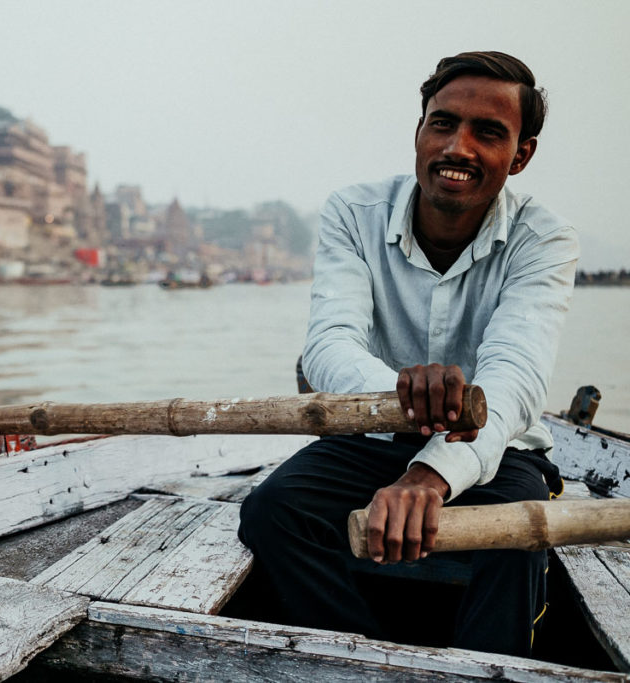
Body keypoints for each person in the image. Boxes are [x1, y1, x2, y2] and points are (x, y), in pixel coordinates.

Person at [238, 51, 579, 657]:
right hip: (369, 439)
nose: (458, 148)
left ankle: (485, 671)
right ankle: (360, 659)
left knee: (517, 542)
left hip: (491, 450)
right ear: (420, 131)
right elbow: (329, 344)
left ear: (521, 154)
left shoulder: (544, 238)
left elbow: (514, 378)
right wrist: (402, 394)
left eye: (488, 132)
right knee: (271, 512)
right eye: (442, 124)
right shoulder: (353, 212)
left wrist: (427, 475)